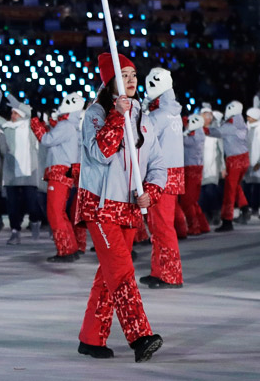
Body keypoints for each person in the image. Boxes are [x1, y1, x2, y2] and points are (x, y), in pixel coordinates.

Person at [75, 53, 164, 363]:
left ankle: (91, 338)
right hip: (100, 207)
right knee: (122, 272)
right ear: (110, 81)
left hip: (128, 209)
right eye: (123, 75)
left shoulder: (143, 117)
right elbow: (100, 153)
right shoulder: (96, 114)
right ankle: (140, 337)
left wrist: (151, 191)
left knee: (109, 276)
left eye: (133, 75)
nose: (131, 80)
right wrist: (116, 116)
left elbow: (158, 164)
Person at [139, 67, 184, 289]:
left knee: (162, 227)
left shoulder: (158, 116)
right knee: (158, 225)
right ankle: (159, 271)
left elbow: (141, 138)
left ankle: (171, 275)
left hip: (161, 176)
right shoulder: (173, 113)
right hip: (171, 175)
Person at [31, 91, 84, 261]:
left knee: (55, 212)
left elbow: (47, 140)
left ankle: (66, 251)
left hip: (59, 173)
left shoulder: (66, 125)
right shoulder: (70, 125)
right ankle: (71, 248)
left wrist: (35, 122)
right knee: (60, 212)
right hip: (65, 172)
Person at [0, 90, 41, 246]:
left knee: (31, 204)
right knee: (13, 206)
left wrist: (13, 99)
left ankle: (35, 221)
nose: (12, 115)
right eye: (12, 113)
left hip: (29, 172)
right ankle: (15, 231)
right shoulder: (7, 127)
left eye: (15, 113)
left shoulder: (31, 127)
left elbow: (30, 112)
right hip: (11, 174)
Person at [215, 100, 249, 232]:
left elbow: (217, 134)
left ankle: (227, 220)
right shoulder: (240, 122)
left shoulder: (230, 124)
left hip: (233, 160)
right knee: (235, 186)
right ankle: (244, 207)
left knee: (229, 190)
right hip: (243, 158)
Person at [180, 114, 209, 235]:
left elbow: (179, 140)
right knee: (192, 201)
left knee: (186, 201)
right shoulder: (199, 133)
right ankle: (203, 225)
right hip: (196, 169)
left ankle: (194, 226)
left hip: (190, 170)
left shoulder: (192, 137)